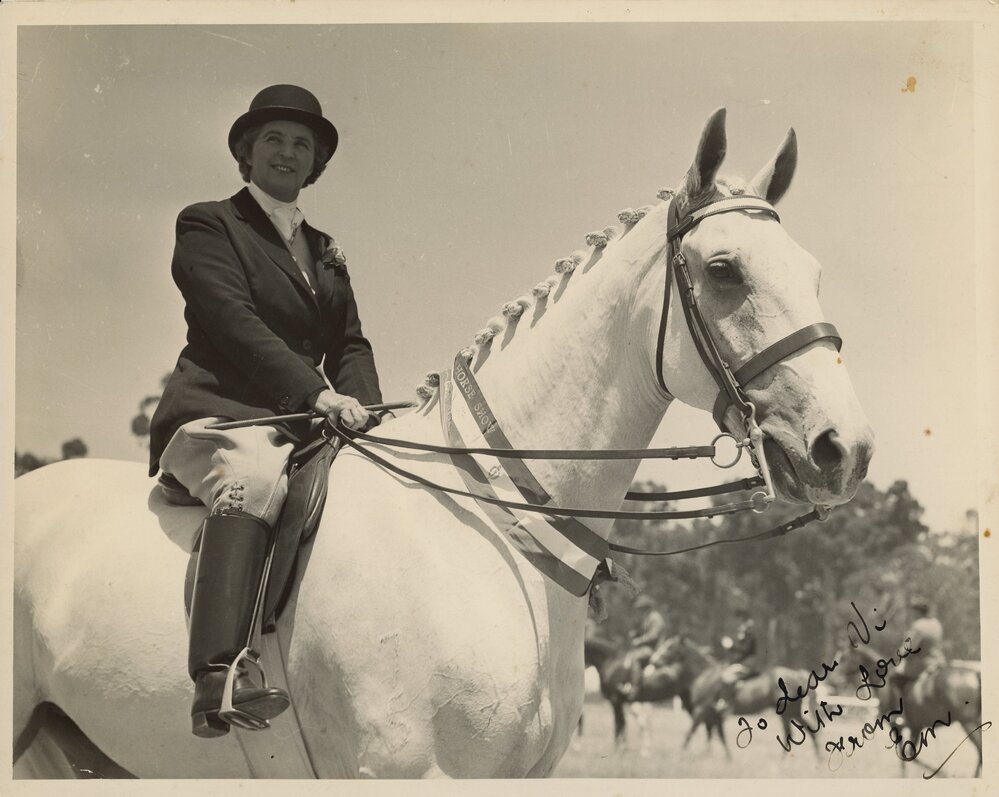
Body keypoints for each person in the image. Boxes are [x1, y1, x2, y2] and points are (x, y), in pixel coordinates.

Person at [148, 84, 383, 738]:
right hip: (222, 417)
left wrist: (364, 413)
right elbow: (232, 320)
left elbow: (351, 343)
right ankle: (218, 676)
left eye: (302, 144)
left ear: (314, 165)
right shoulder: (208, 222)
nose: (288, 151)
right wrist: (316, 393)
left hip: (302, 425)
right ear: (246, 155)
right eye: (274, 140)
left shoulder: (324, 248)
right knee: (251, 479)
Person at [622, 594, 669, 700]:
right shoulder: (647, 618)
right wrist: (635, 634)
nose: (639, 611)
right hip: (647, 647)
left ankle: (635, 688)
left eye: (641, 609)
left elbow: (653, 636)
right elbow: (644, 633)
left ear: (646, 608)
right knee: (628, 656)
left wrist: (639, 641)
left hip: (655, 649)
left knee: (635, 658)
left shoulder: (655, 618)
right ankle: (626, 683)